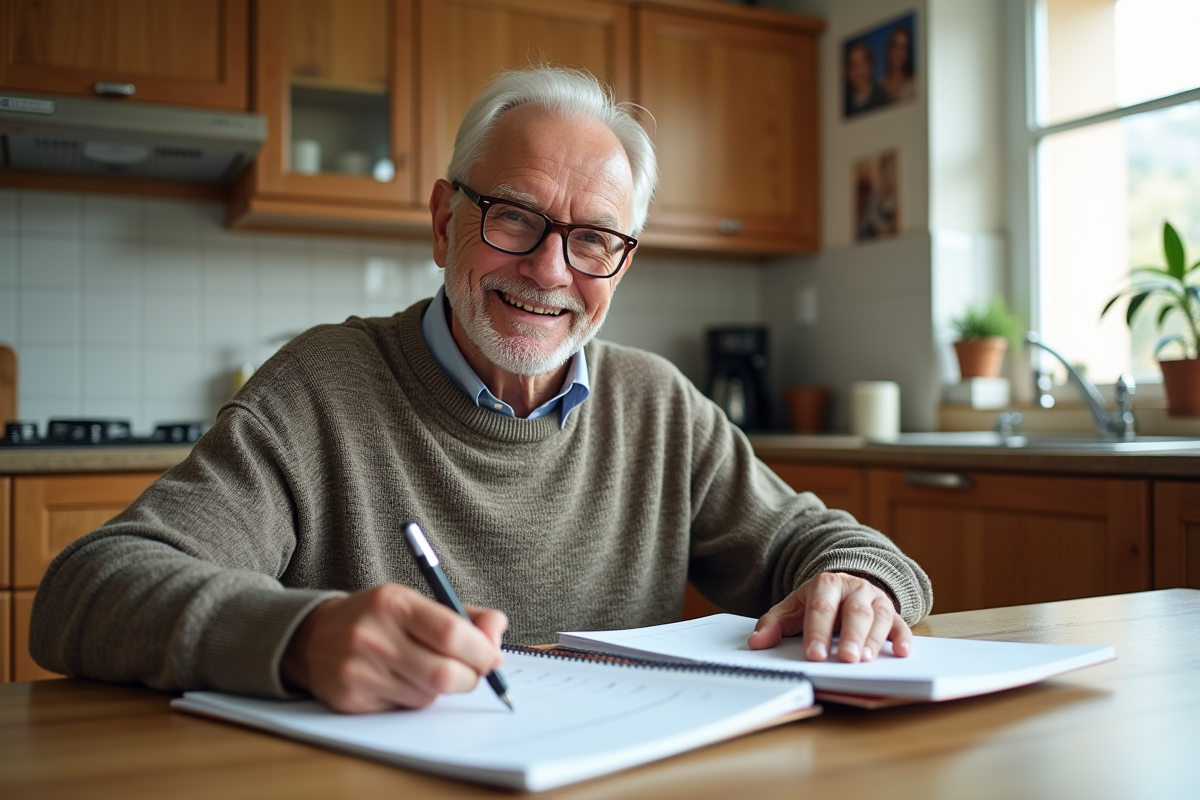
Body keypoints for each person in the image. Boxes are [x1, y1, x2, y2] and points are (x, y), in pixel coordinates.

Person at [31, 67, 932, 714]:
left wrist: (856, 580)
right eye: (514, 217)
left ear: (621, 264)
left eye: (592, 240)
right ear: (443, 220)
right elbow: (87, 591)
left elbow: (820, 542)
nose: (549, 269)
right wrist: (299, 640)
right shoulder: (320, 387)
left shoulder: (658, 405)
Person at [844, 40, 890, 117]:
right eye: (852, 64)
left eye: (861, 63)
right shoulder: (845, 102)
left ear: (870, 65)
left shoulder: (882, 97)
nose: (857, 70)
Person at [882, 23, 915, 103]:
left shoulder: (915, 83)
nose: (899, 53)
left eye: (903, 47)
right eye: (896, 46)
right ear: (889, 49)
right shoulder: (878, 86)